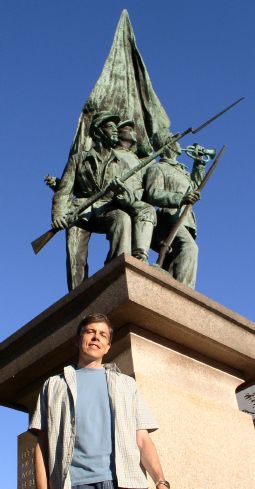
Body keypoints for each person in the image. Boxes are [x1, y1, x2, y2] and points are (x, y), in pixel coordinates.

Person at [29, 313, 170, 489]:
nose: (96, 337)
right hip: (73, 484)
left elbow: (142, 439)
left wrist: (160, 481)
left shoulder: (126, 385)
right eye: (90, 332)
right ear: (77, 339)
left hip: (123, 482)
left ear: (107, 347)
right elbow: (43, 444)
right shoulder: (54, 385)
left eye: (103, 335)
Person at [52, 111, 156, 266]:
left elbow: (128, 198)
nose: (115, 130)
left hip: (106, 209)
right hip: (79, 211)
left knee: (122, 218)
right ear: (98, 131)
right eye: (109, 126)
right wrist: (58, 215)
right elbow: (64, 190)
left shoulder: (122, 163)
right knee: (76, 260)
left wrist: (120, 192)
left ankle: (118, 268)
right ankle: (79, 290)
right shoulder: (78, 159)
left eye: (116, 127)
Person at [145, 139, 204, 289]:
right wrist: (180, 199)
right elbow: (153, 193)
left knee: (171, 264)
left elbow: (195, 189)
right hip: (167, 217)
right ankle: (185, 294)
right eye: (174, 140)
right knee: (189, 248)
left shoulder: (181, 171)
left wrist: (198, 165)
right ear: (168, 146)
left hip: (185, 220)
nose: (179, 142)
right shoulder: (158, 168)